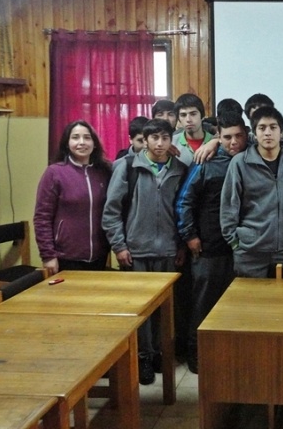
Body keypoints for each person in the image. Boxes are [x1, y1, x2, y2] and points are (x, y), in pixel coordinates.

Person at [101, 118, 187, 384]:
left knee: (165, 311)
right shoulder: (128, 167)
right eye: (154, 138)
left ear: (171, 140)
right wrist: (119, 245)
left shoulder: (180, 169)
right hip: (136, 252)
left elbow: (184, 210)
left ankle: (161, 353)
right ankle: (143, 357)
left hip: (168, 252)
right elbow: (111, 210)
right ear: (145, 140)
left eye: (165, 138)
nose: (160, 144)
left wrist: (181, 244)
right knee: (141, 311)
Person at [175, 112, 247, 374]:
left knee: (237, 309)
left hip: (242, 248)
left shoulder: (252, 158)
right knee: (203, 306)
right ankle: (197, 358)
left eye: (239, 136)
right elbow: (184, 202)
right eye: (226, 137)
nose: (233, 142)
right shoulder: (205, 162)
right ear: (219, 136)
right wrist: (190, 235)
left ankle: (230, 357)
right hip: (208, 248)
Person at [220, 106, 283, 277]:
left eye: (273, 127)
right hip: (250, 252)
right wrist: (235, 242)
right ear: (254, 132)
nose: (267, 133)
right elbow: (229, 206)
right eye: (262, 128)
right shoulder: (240, 163)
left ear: (281, 131)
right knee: (251, 303)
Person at [34, 120, 112, 275]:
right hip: (66, 257)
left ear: (94, 143)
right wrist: (48, 255)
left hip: (100, 255)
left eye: (87, 137)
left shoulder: (105, 171)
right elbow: (42, 217)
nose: (82, 142)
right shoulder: (54, 173)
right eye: (75, 137)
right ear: (67, 143)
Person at [172, 93, 215, 166]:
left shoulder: (214, 142)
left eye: (193, 114)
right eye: (183, 115)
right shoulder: (171, 143)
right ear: (178, 119)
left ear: (202, 115)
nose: (188, 119)